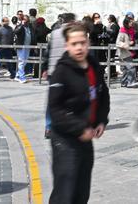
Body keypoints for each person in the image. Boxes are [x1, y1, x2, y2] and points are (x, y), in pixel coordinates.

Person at [47, 23, 109, 204]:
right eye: (74, 44)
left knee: (82, 191)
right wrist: (80, 128)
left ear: (88, 43)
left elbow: (103, 95)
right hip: (65, 140)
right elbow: (55, 109)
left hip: (86, 138)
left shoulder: (93, 66)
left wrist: (101, 121)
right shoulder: (61, 72)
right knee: (65, 192)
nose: (79, 47)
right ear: (67, 45)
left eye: (82, 42)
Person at [116, 16, 138, 87]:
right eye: (130, 22)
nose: (132, 23)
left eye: (132, 22)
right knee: (131, 67)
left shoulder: (131, 30)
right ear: (126, 23)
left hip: (128, 51)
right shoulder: (122, 32)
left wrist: (132, 42)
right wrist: (127, 44)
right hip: (123, 52)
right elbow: (118, 42)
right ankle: (130, 82)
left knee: (125, 68)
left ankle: (124, 82)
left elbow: (131, 40)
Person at [13, 14, 33, 83]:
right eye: (26, 21)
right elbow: (15, 32)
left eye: (28, 21)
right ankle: (22, 77)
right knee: (21, 62)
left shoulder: (29, 27)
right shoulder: (20, 26)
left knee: (25, 62)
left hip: (28, 46)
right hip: (21, 46)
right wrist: (21, 25)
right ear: (22, 21)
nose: (27, 22)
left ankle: (17, 75)